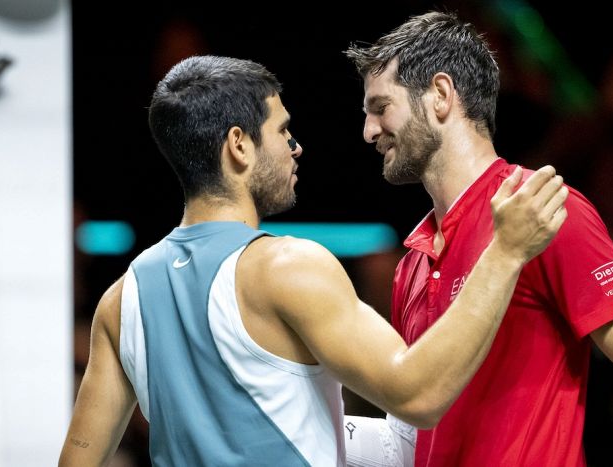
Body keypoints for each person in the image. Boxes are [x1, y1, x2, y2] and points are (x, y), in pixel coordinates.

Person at [58, 55, 569, 466]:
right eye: (283, 131)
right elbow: (419, 395)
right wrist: (505, 252)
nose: (296, 148)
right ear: (239, 145)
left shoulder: (122, 298)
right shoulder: (288, 267)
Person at [343, 11, 613, 467]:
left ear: (440, 96)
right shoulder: (413, 262)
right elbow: (413, 440)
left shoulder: (540, 210)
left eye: (380, 107)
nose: (368, 131)